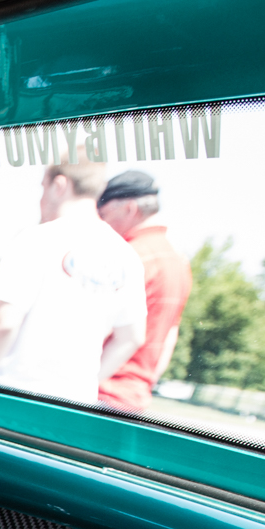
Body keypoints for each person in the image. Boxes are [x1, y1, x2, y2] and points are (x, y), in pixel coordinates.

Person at [0, 162, 146, 404]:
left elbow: (5, 322)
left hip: (12, 396)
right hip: (75, 405)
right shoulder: (127, 257)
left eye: (42, 186)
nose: (41, 198)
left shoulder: (39, 238)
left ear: (59, 185)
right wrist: (89, 384)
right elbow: (132, 337)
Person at [96, 170, 194, 412]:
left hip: (100, 391)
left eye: (104, 215)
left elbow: (96, 326)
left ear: (129, 209)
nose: (102, 223)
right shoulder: (178, 261)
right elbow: (170, 333)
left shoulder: (129, 256)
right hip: (134, 398)